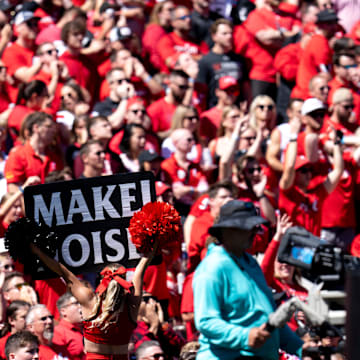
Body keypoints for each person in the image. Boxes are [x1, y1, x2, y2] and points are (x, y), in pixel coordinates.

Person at [193, 200, 303, 359]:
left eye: (255, 226)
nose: (254, 231)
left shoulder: (250, 263)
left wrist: (299, 346)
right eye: (246, 227)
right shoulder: (212, 267)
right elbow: (206, 322)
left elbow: (270, 319)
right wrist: (244, 336)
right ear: (226, 231)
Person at [29, 234, 159, 360]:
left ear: (102, 280)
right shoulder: (131, 303)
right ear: (124, 280)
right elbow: (140, 270)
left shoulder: (90, 300)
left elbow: (63, 272)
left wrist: (37, 251)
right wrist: (156, 237)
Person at [4, 112, 64, 193]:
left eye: (53, 127)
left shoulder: (54, 157)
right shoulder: (17, 155)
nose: (53, 131)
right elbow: (13, 190)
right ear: (36, 128)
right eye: (48, 126)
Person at [52, 293, 85, 360]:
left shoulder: (84, 329)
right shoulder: (58, 332)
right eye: (76, 303)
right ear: (63, 311)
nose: (80, 306)